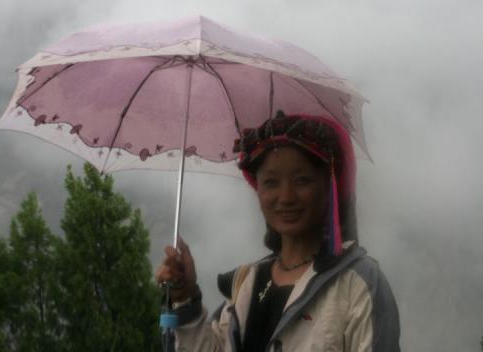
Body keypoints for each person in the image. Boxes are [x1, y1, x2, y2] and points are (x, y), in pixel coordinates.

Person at [155, 111, 401, 352]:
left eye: (302, 180)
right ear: (258, 189)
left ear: (329, 187)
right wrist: (184, 298)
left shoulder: (359, 284)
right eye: (271, 182)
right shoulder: (248, 282)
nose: (286, 197)